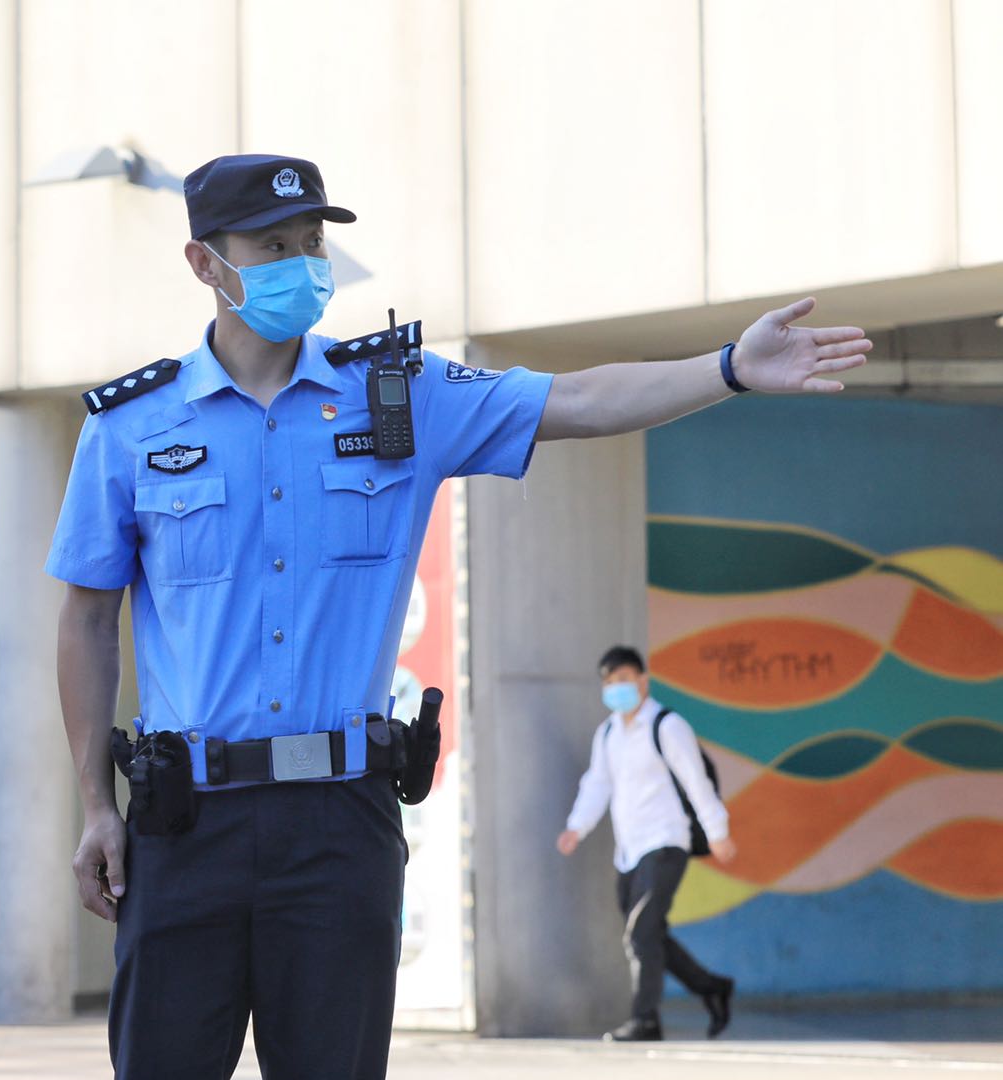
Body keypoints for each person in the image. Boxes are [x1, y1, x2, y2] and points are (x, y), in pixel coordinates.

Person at [47, 152, 869, 1079]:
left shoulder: (403, 395)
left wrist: (729, 368)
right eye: (271, 245)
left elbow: (583, 400)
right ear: (205, 263)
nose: (300, 263)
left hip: (338, 826)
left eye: (312, 241)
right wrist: (92, 806)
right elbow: (85, 621)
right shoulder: (131, 426)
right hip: (185, 821)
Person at [557, 646, 737, 1042]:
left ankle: (646, 1020)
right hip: (629, 850)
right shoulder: (607, 734)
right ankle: (712, 987)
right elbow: (597, 784)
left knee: (640, 934)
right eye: (609, 683)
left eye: (623, 680)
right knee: (648, 933)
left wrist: (717, 832)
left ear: (643, 681)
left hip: (667, 841)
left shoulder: (667, 726)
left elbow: (696, 780)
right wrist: (577, 826)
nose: (616, 689)